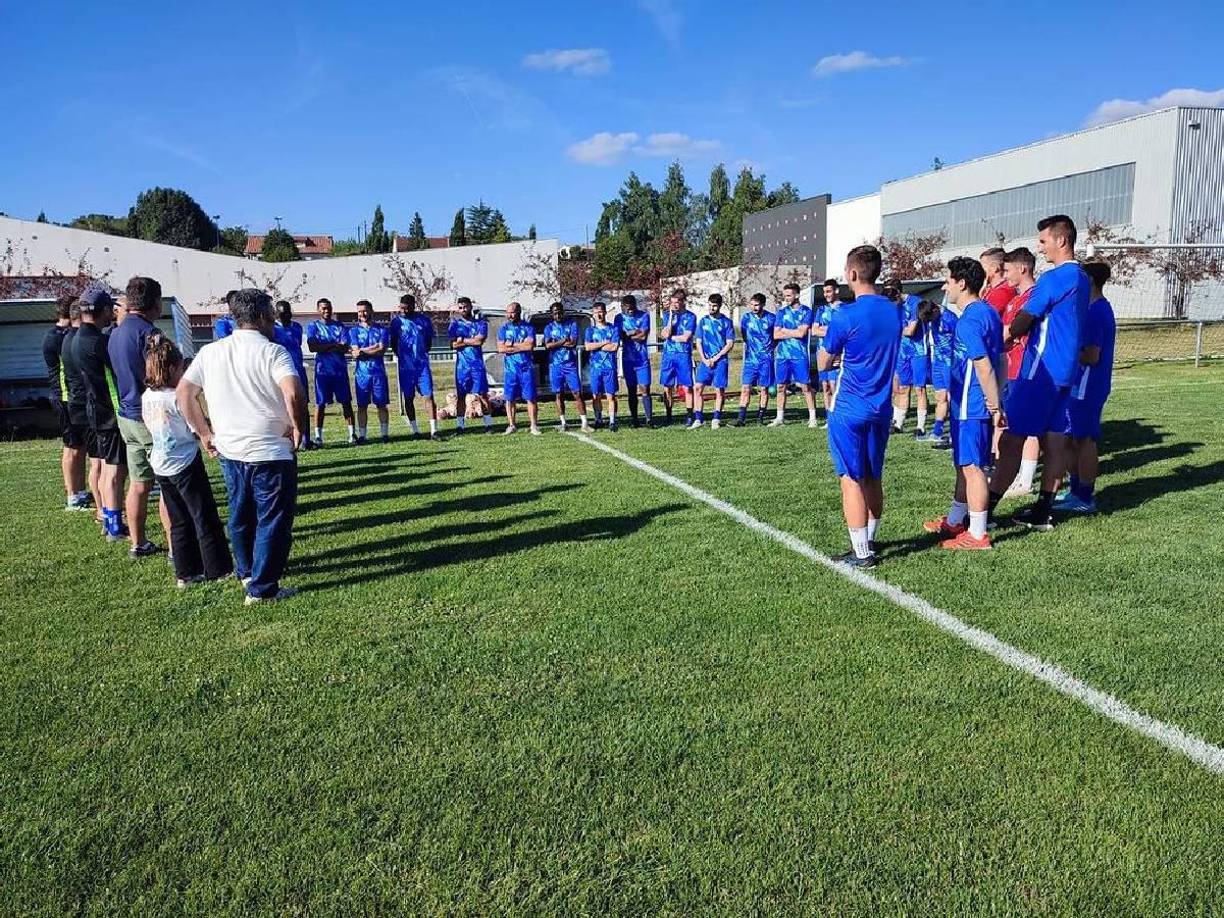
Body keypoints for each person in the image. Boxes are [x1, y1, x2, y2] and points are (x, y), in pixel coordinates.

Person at [177, 288, 308, 604]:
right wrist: (299, 429)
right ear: (264, 317)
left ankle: (248, 571)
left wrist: (205, 433)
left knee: (241, 514)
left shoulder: (210, 352)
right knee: (272, 518)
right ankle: (262, 588)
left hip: (231, 450)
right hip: (270, 450)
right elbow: (292, 393)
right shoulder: (273, 352)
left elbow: (183, 393)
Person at [986, 215, 1091, 531]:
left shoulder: (1054, 278)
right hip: (1065, 372)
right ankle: (1043, 510)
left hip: (1040, 372)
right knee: (1055, 441)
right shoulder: (1083, 278)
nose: (1040, 247)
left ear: (1061, 240)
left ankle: (984, 509)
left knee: (1012, 440)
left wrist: (1005, 337)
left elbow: (1026, 317)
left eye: (1044, 241)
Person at [817, 245, 900, 568]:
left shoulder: (845, 315)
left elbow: (824, 360)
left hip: (849, 407)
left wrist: (833, 349)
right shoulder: (895, 311)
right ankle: (870, 539)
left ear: (851, 274)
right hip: (881, 407)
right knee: (872, 475)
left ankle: (861, 552)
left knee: (851, 479)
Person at [923, 257, 1004, 550]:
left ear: (961, 283)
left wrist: (994, 406)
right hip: (965, 405)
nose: (946, 286)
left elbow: (984, 365)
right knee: (963, 465)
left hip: (971, 406)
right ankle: (956, 521)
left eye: (948, 280)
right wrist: (998, 397)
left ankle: (978, 534)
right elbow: (1002, 359)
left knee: (973, 468)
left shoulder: (970, 320)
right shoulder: (988, 313)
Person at [142, 336, 233, 587]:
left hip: (161, 463)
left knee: (178, 519)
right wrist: (209, 436)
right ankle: (218, 568)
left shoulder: (148, 396)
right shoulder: (176, 397)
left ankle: (186, 572)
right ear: (171, 369)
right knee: (204, 516)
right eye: (182, 368)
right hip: (184, 462)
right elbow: (195, 426)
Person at [109, 275, 173, 558]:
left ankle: (138, 542)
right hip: (150, 416)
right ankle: (176, 547)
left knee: (138, 483)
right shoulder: (150, 334)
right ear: (154, 301)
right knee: (168, 483)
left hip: (126, 416)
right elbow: (161, 375)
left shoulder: (116, 332)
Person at [1055, 259, 1116, 514]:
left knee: (1084, 439)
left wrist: (1067, 352)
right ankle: (1076, 489)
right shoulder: (1090, 309)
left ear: (1088, 281)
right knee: (1069, 439)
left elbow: (1092, 355)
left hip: (1088, 386)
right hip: (1078, 384)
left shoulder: (1096, 312)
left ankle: (1085, 496)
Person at [73, 285, 129, 543]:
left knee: (106, 467)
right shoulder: (98, 342)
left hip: (94, 411)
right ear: (104, 310)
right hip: (109, 412)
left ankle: (109, 518)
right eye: (111, 310)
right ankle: (115, 524)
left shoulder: (76, 339)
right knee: (115, 470)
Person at [998, 247, 1041, 496]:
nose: (1005, 275)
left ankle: (1025, 480)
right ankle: (1016, 475)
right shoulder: (1016, 298)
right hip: (1011, 366)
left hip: (1026, 368)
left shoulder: (1033, 298)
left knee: (1030, 427)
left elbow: (1012, 332)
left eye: (1008, 270)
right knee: (1013, 426)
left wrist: (1003, 338)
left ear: (1022, 268)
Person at [44, 293, 89, 510]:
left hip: (72, 397)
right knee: (71, 447)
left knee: (80, 447)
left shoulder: (65, 334)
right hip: (63, 396)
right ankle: (72, 495)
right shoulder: (57, 337)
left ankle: (81, 491)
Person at [60, 301, 104, 519]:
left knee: (96, 460)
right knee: (97, 461)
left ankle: (102, 506)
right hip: (85, 405)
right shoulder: (78, 341)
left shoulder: (69, 339)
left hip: (79, 404)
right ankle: (102, 509)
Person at [388, 294, 439, 439]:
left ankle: (434, 431)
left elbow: (428, 342)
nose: (403, 310)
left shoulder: (424, 320)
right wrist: (404, 358)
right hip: (405, 367)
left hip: (422, 366)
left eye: (406, 307)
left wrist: (420, 354)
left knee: (428, 396)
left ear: (413, 305)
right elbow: (394, 344)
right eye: (401, 307)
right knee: (408, 398)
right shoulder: (396, 322)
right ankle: (415, 430)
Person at [307, 297, 355, 446]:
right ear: (318, 310)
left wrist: (325, 346)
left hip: (339, 371)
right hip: (322, 372)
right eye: (323, 308)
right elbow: (312, 347)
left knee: (346, 402)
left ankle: (352, 434)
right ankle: (318, 437)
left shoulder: (340, 326)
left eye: (328, 308)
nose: (326, 311)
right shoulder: (313, 326)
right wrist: (334, 344)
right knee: (320, 404)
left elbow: (344, 347)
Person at [769, 282, 819, 428]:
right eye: (785, 296)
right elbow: (776, 334)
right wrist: (793, 332)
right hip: (782, 355)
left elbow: (802, 333)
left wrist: (786, 331)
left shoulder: (807, 312)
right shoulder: (781, 313)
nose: (786, 298)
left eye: (789, 295)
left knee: (805, 386)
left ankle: (813, 417)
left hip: (799, 355)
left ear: (797, 295)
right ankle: (780, 418)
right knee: (780, 387)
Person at [448, 297, 494, 433]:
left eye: (465, 307)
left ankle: (489, 425)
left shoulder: (481, 324)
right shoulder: (455, 325)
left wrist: (463, 340)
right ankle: (460, 426)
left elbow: (479, 342)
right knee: (461, 396)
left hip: (477, 366)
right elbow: (452, 345)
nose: (463, 310)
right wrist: (470, 341)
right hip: (462, 367)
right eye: (460, 307)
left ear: (470, 307)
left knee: (482, 395)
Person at [348, 300, 390, 443]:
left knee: (381, 405)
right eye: (360, 311)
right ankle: (362, 436)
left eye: (365, 310)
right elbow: (354, 353)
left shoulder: (382, 330)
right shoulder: (353, 331)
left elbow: (381, 349)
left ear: (371, 311)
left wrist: (363, 350)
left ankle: (384, 435)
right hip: (362, 374)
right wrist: (372, 348)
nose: (362, 314)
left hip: (378, 373)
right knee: (362, 406)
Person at [691, 293, 735, 429]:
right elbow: (698, 341)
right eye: (710, 305)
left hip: (720, 362)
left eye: (714, 306)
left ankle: (716, 419)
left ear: (720, 306)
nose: (711, 308)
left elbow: (729, 343)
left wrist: (716, 358)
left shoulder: (726, 322)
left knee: (719, 390)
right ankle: (698, 419)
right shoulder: (703, 321)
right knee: (697, 388)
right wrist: (704, 359)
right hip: (705, 362)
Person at [543, 301, 589, 432]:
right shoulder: (549, 328)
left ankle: (584, 422)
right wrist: (563, 340)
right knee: (559, 394)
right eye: (555, 313)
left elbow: (573, 343)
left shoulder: (572, 325)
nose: (558, 315)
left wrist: (555, 342)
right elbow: (548, 345)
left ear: (563, 312)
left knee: (577, 393)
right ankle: (563, 422)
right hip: (555, 365)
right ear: (552, 314)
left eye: (560, 312)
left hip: (570, 364)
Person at [497, 301, 541, 436]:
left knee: (530, 397)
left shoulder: (528, 328)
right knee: (509, 399)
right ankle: (511, 425)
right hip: (510, 369)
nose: (510, 315)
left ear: (519, 312)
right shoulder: (503, 329)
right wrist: (519, 345)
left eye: (513, 312)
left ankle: (533, 425)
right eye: (508, 312)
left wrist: (511, 346)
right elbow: (501, 348)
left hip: (526, 368)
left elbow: (529, 346)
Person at [273, 300, 313, 449]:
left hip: (298, 370)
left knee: (303, 404)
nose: (285, 316)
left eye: (288, 312)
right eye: (282, 313)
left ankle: (306, 440)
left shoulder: (296, 327)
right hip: (281, 373)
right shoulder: (272, 329)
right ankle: (287, 439)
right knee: (284, 406)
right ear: (276, 313)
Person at [891, 287, 929, 436]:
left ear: (898, 294)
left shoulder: (915, 303)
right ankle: (898, 424)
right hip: (902, 352)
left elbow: (911, 331)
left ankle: (920, 427)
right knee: (903, 388)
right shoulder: (894, 306)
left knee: (920, 389)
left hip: (919, 351)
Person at [735, 292, 776, 426]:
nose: (754, 307)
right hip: (750, 360)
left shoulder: (771, 319)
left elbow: (776, 338)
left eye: (757, 305)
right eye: (752, 305)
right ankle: (741, 418)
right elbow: (745, 336)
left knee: (764, 389)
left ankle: (760, 417)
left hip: (766, 360)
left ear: (763, 304)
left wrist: (768, 350)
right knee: (746, 388)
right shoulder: (746, 318)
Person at [658, 289, 696, 426]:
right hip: (668, 355)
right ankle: (669, 415)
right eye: (672, 302)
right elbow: (664, 333)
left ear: (682, 302)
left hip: (683, 355)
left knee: (687, 387)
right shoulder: (667, 315)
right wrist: (669, 319)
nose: (674, 305)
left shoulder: (690, 317)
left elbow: (686, 337)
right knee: (667, 386)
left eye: (677, 302)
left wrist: (671, 337)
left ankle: (689, 415)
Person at [614, 294, 653, 427]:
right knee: (631, 390)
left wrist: (629, 334)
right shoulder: (619, 318)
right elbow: (620, 336)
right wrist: (634, 331)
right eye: (628, 309)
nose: (630, 311)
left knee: (645, 388)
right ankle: (635, 420)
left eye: (632, 309)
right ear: (623, 307)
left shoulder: (644, 316)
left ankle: (649, 420)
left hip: (641, 359)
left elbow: (643, 336)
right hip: (628, 359)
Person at [584, 301, 619, 431]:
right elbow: (588, 346)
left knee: (611, 396)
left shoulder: (613, 329)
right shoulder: (590, 330)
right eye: (596, 312)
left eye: (601, 312)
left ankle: (612, 421)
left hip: (609, 367)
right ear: (593, 314)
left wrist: (597, 345)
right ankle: (598, 419)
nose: (599, 315)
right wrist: (604, 343)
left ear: (605, 312)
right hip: (595, 368)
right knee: (596, 395)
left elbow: (614, 346)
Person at [813, 279, 842, 422]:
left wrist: (825, 329)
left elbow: (844, 332)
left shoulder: (843, 309)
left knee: (835, 386)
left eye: (829, 291)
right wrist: (832, 330)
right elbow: (814, 330)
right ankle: (829, 418)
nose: (826, 295)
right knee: (825, 387)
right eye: (824, 292)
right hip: (822, 354)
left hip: (837, 355)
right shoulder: (821, 310)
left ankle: (839, 416)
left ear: (836, 290)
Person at [980, 248, 1017, 318]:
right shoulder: (990, 289)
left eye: (982, 266)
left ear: (994, 268)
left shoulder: (1003, 291)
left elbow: (983, 317)